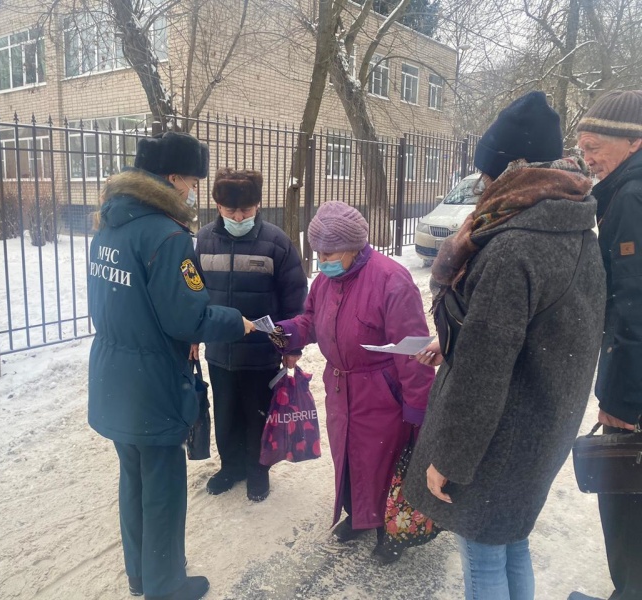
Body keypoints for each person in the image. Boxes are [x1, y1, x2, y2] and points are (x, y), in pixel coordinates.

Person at [404, 91, 606, 600]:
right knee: (510, 541)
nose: (482, 187)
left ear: (509, 172)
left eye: (487, 174)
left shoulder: (513, 245)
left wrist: (450, 458)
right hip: (542, 423)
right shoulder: (574, 224)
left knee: (482, 555)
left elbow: (484, 371)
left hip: (496, 437)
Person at [87, 132, 255, 600]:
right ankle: (167, 586)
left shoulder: (109, 225)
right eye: (193, 181)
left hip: (114, 373)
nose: (194, 190)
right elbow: (190, 316)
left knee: (133, 479)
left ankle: (140, 574)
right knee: (162, 488)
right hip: (153, 380)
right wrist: (236, 322)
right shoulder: (167, 236)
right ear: (173, 178)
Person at [270, 201, 434, 564]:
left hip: (382, 391)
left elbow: (412, 349)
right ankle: (358, 516)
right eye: (318, 252)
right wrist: (285, 332)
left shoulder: (392, 279)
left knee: (383, 461)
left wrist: (417, 406)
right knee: (349, 457)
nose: (322, 260)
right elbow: (311, 320)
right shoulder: (327, 280)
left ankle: (390, 529)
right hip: (341, 387)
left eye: (329, 253)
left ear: (354, 246)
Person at [191, 168, 307, 502]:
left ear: (258, 205)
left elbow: (294, 299)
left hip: (261, 353)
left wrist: (289, 346)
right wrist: (193, 336)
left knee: (258, 415)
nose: (239, 217)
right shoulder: (204, 240)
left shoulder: (276, 242)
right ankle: (231, 467)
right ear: (217, 206)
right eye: (231, 211)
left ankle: (258, 471)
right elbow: (194, 294)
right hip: (220, 350)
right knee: (225, 414)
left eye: (246, 210)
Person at [569, 90, 642, 600]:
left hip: (634, 389)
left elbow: (633, 308)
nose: (587, 158)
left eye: (595, 146)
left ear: (634, 142)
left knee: (626, 496)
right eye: (582, 147)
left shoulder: (631, 198)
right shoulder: (624, 191)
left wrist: (622, 403)